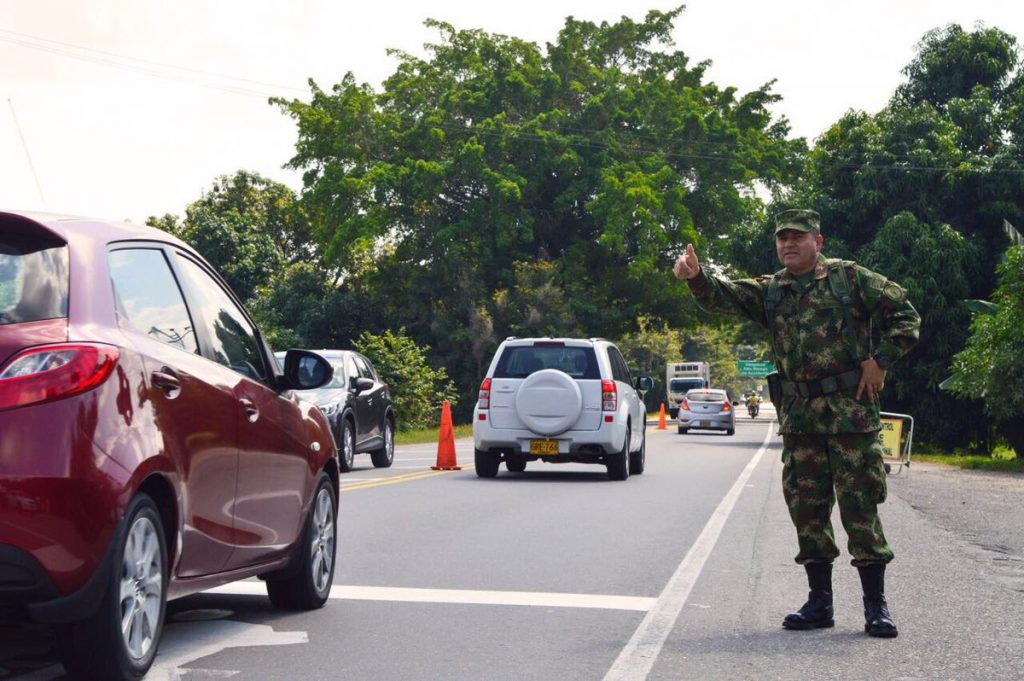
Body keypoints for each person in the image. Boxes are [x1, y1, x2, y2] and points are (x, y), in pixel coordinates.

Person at [672, 209, 920, 638]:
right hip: (801, 419)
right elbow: (723, 296)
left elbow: (906, 315)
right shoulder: (772, 291)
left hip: (850, 415)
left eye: (798, 237)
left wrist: (880, 361)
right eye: (782, 238)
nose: (788, 244)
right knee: (807, 510)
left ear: (817, 242)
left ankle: (875, 606)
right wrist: (695, 277)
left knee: (860, 508)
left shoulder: (850, 279)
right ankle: (819, 603)